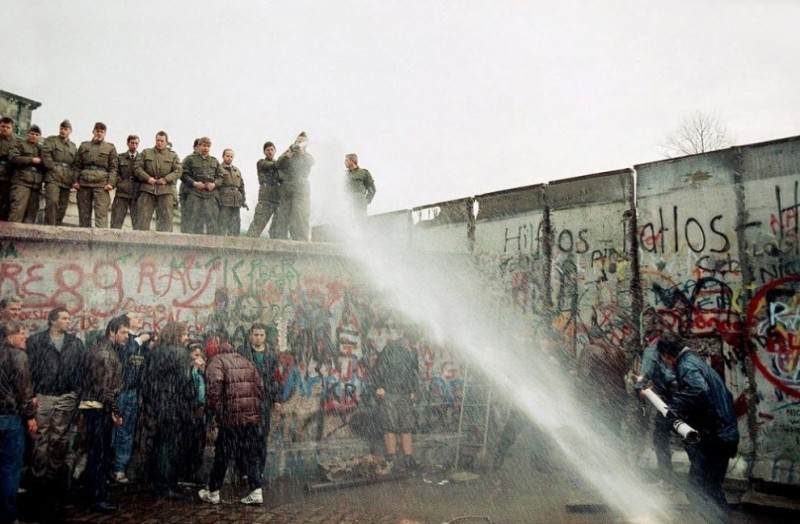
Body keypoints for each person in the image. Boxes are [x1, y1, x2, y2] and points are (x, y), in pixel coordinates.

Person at [657, 331, 739, 524]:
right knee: (711, 488)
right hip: (724, 435)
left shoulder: (686, 366)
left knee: (698, 490)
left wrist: (673, 409)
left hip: (716, 438)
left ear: (666, 356)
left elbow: (697, 389)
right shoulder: (694, 362)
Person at [25, 307, 85, 519]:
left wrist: (76, 393)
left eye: (69, 318)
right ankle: (39, 487)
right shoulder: (36, 341)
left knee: (59, 440)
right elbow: (29, 369)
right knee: (41, 440)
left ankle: (53, 486)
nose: (68, 321)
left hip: (65, 396)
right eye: (64, 318)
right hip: (43, 396)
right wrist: (32, 394)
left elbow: (80, 370)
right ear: (52, 321)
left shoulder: (75, 343)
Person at [199, 340, 264, 505]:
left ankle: (213, 491)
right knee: (251, 454)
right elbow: (260, 386)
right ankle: (256, 490)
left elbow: (214, 389)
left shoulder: (217, 361)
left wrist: (214, 410)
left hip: (231, 418)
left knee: (222, 455)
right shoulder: (245, 361)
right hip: (250, 417)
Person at [140, 321, 196, 498]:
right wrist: (192, 399)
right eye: (184, 334)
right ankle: (165, 486)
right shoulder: (181, 354)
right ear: (177, 335)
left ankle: (159, 482)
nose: (187, 337)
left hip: (159, 405)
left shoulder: (154, 352)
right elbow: (186, 383)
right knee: (169, 446)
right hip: (175, 405)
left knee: (160, 444)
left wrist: (152, 401)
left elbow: (145, 380)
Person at [79, 315, 128, 514]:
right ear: (112, 332)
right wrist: (115, 412)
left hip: (94, 407)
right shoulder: (106, 354)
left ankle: (93, 493)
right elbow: (106, 389)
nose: (126, 336)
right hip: (98, 409)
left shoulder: (101, 349)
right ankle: (97, 497)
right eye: (123, 332)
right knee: (99, 454)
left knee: (96, 453)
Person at [0, 319, 37, 524]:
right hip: (10, 418)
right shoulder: (18, 356)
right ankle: (8, 516)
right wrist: (30, 415)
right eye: (21, 333)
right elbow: (24, 391)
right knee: (10, 467)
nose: (25, 336)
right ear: (10, 336)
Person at [237, 323, 282, 480]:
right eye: (256, 335)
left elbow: (276, 378)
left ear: (265, 336)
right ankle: (244, 471)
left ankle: (258, 471)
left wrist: (276, 398)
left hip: (264, 400)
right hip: (246, 399)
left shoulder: (271, 355)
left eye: (261, 335)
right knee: (245, 435)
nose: (258, 338)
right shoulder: (242, 352)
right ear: (251, 336)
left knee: (261, 436)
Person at [110, 311, 150, 483]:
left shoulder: (142, 342)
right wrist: (140, 340)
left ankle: (119, 467)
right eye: (135, 316)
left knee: (127, 431)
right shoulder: (127, 341)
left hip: (134, 391)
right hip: (121, 391)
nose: (140, 317)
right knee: (116, 429)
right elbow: (125, 353)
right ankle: (112, 467)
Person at [634, 319, 676, 484]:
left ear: (646, 339)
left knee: (660, 437)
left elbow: (644, 375)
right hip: (680, 394)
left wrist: (639, 387)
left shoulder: (651, 351)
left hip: (666, 397)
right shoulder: (668, 347)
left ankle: (665, 479)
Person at [373, 327, 420, 471]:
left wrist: (413, 390)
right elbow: (379, 368)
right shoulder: (390, 348)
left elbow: (414, 373)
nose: (414, 345)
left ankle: (408, 459)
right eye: (412, 342)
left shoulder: (413, 352)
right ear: (406, 339)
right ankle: (391, 460)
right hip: (389, 392)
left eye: (415, 343)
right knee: (390, 427)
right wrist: (379, 386)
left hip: (405, 394)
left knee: (407, 427)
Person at [72, 122, 119, 228]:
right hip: (84, 183)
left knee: (101, 214)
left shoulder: (110, 148)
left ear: (105, 133)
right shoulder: (84, 146)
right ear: (93, 132)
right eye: (97, 131)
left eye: (102, 132)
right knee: (84, 215)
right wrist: (75, 181)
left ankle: (100, 243)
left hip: (101, 185)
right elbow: (77, 165)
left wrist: (111, 183)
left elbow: (113, 168)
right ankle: (84, 241)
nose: (99, 134)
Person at [134, 131, 182, 232]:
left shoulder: (172, 155)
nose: (159, 143)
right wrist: (147, 178)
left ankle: (166, 246)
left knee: (166, 221)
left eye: (162, 141)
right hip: (147, 189)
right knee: (143, 219)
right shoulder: (146, 152)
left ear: (166, 142)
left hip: (165, 191)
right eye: (158, 140)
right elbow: (137, 168)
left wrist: (166, 179)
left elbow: (178, 171)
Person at [273, 132, 314, 241]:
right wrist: (287, 155)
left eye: (302, 142)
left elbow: (311, 163)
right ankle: (281, 238)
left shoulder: (307, 156)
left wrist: (302, 153)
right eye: (298, 141)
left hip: (301, 189)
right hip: (287, 188)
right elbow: (277, 164)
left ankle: (301, 240)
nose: (299, 143)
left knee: (300, 215)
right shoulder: (288, 153)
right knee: (283, 213)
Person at [181, 136, 222, 235]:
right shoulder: (190, 159)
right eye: (204, 145)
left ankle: (211, 248)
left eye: (208, 146)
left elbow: (220, 177)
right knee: (191, 221)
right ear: (199, 146)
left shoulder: (214, 161)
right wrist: (194, 183)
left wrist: (214, 184)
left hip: (210, 195)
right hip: (194, 194)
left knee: (212, 222)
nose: (206, 148)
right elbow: (183, 174)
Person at [41, 120, 77, 226]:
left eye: (65, 129)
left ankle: (56, 229)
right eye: (61, 128)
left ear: (70, 131)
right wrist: (53, 167)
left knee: (63, 206)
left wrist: (73, 179)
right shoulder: (51, 141)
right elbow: (45, 154)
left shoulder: (73, 146)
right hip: (53, 177)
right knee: (52, 202)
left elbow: (76, 163)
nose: (63, 131)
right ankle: (49, 228)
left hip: (66, 180)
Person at [7, 124, 45, 224]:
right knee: (16, 213)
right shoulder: (20, 144)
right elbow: (13, 158)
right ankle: (10, 238)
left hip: (35, 185)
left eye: (37, 134)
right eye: (32, 133)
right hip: (21, 183)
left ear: (39, 136)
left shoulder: (42, 149)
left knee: (31, 216)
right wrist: (31, 160)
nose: (34, 136)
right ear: (28, 134)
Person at [246, 141, 281, 238]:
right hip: (266, 198)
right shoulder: (261, 163)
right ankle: (248, 247)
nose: (270, 152)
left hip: (277, 199)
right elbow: (272, 165)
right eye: (268, 150)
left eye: (272, 149)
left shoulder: (279, 165)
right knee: (258, 224)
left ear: (275, 151)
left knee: (277, 227)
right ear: (264, 152)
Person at [110, 134, 141, 229]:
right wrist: (121, 183)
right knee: (116, 222)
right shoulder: (120, 158)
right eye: (132, 143)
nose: (134, 145)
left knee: (138, 224)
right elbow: (115, 171)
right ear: (128, 143)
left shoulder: (142, 159)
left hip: (136, 194)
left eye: (136, 143)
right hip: (122, 194)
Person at [218, 148, 247, 236]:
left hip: (236, 201)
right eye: (227, 156)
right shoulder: (219, 168)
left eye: (231, 156)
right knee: (222, 224)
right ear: (223, 157)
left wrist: (243, 199)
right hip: (224, 201)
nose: (229, 158)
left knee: (235, 224)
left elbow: (241, 186)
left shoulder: (236, 170)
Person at [0, 116, 19, 221]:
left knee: (6, 203)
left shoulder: (16, 143)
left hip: (8, 177)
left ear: (12, 128)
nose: (5, 129)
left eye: (7, 127)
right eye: (3, 126)